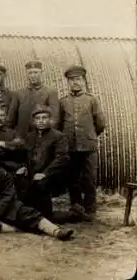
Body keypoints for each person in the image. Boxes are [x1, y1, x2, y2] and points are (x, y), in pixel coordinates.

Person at [0, 140, 75, 241]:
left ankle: (57, 232)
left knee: (31, 214)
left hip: (7, 206)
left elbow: (8, 196)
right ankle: (19, 228)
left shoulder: (4, 174)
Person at [21, 105, 88, 223]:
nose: (41, 121)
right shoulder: (30, 137)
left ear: (50, 120)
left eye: (44, 118)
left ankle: (74, 214)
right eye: (38, 118)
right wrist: (24, 168)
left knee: (45, 215)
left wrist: (45, 174)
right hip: (34, 174)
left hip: (53, 175)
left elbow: (62, 158)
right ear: (34, 121)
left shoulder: (58, 136)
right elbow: (25, 156)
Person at [60, 65, 106, 219]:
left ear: (83, 81)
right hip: (70, 147)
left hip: (88, 146)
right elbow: (59, 125)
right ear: (68, 82)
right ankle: (76, 208)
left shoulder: (92, 100)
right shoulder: (63, 102)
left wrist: (89, 135)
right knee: (72, 179)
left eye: (78, 79)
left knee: (89, 178)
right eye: (72, 80)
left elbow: (100, 124)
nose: (75, 83)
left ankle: (90, 209)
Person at [8, 60, 60, 137]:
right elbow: (11, 119)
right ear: (27, 74)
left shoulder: (50, 92)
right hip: (23, 136)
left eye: (35, 72)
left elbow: (54, 118)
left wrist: (48, 135)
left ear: (41, 73)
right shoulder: (18, 93)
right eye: (30, 73)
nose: (33, 75)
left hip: (42, 136)